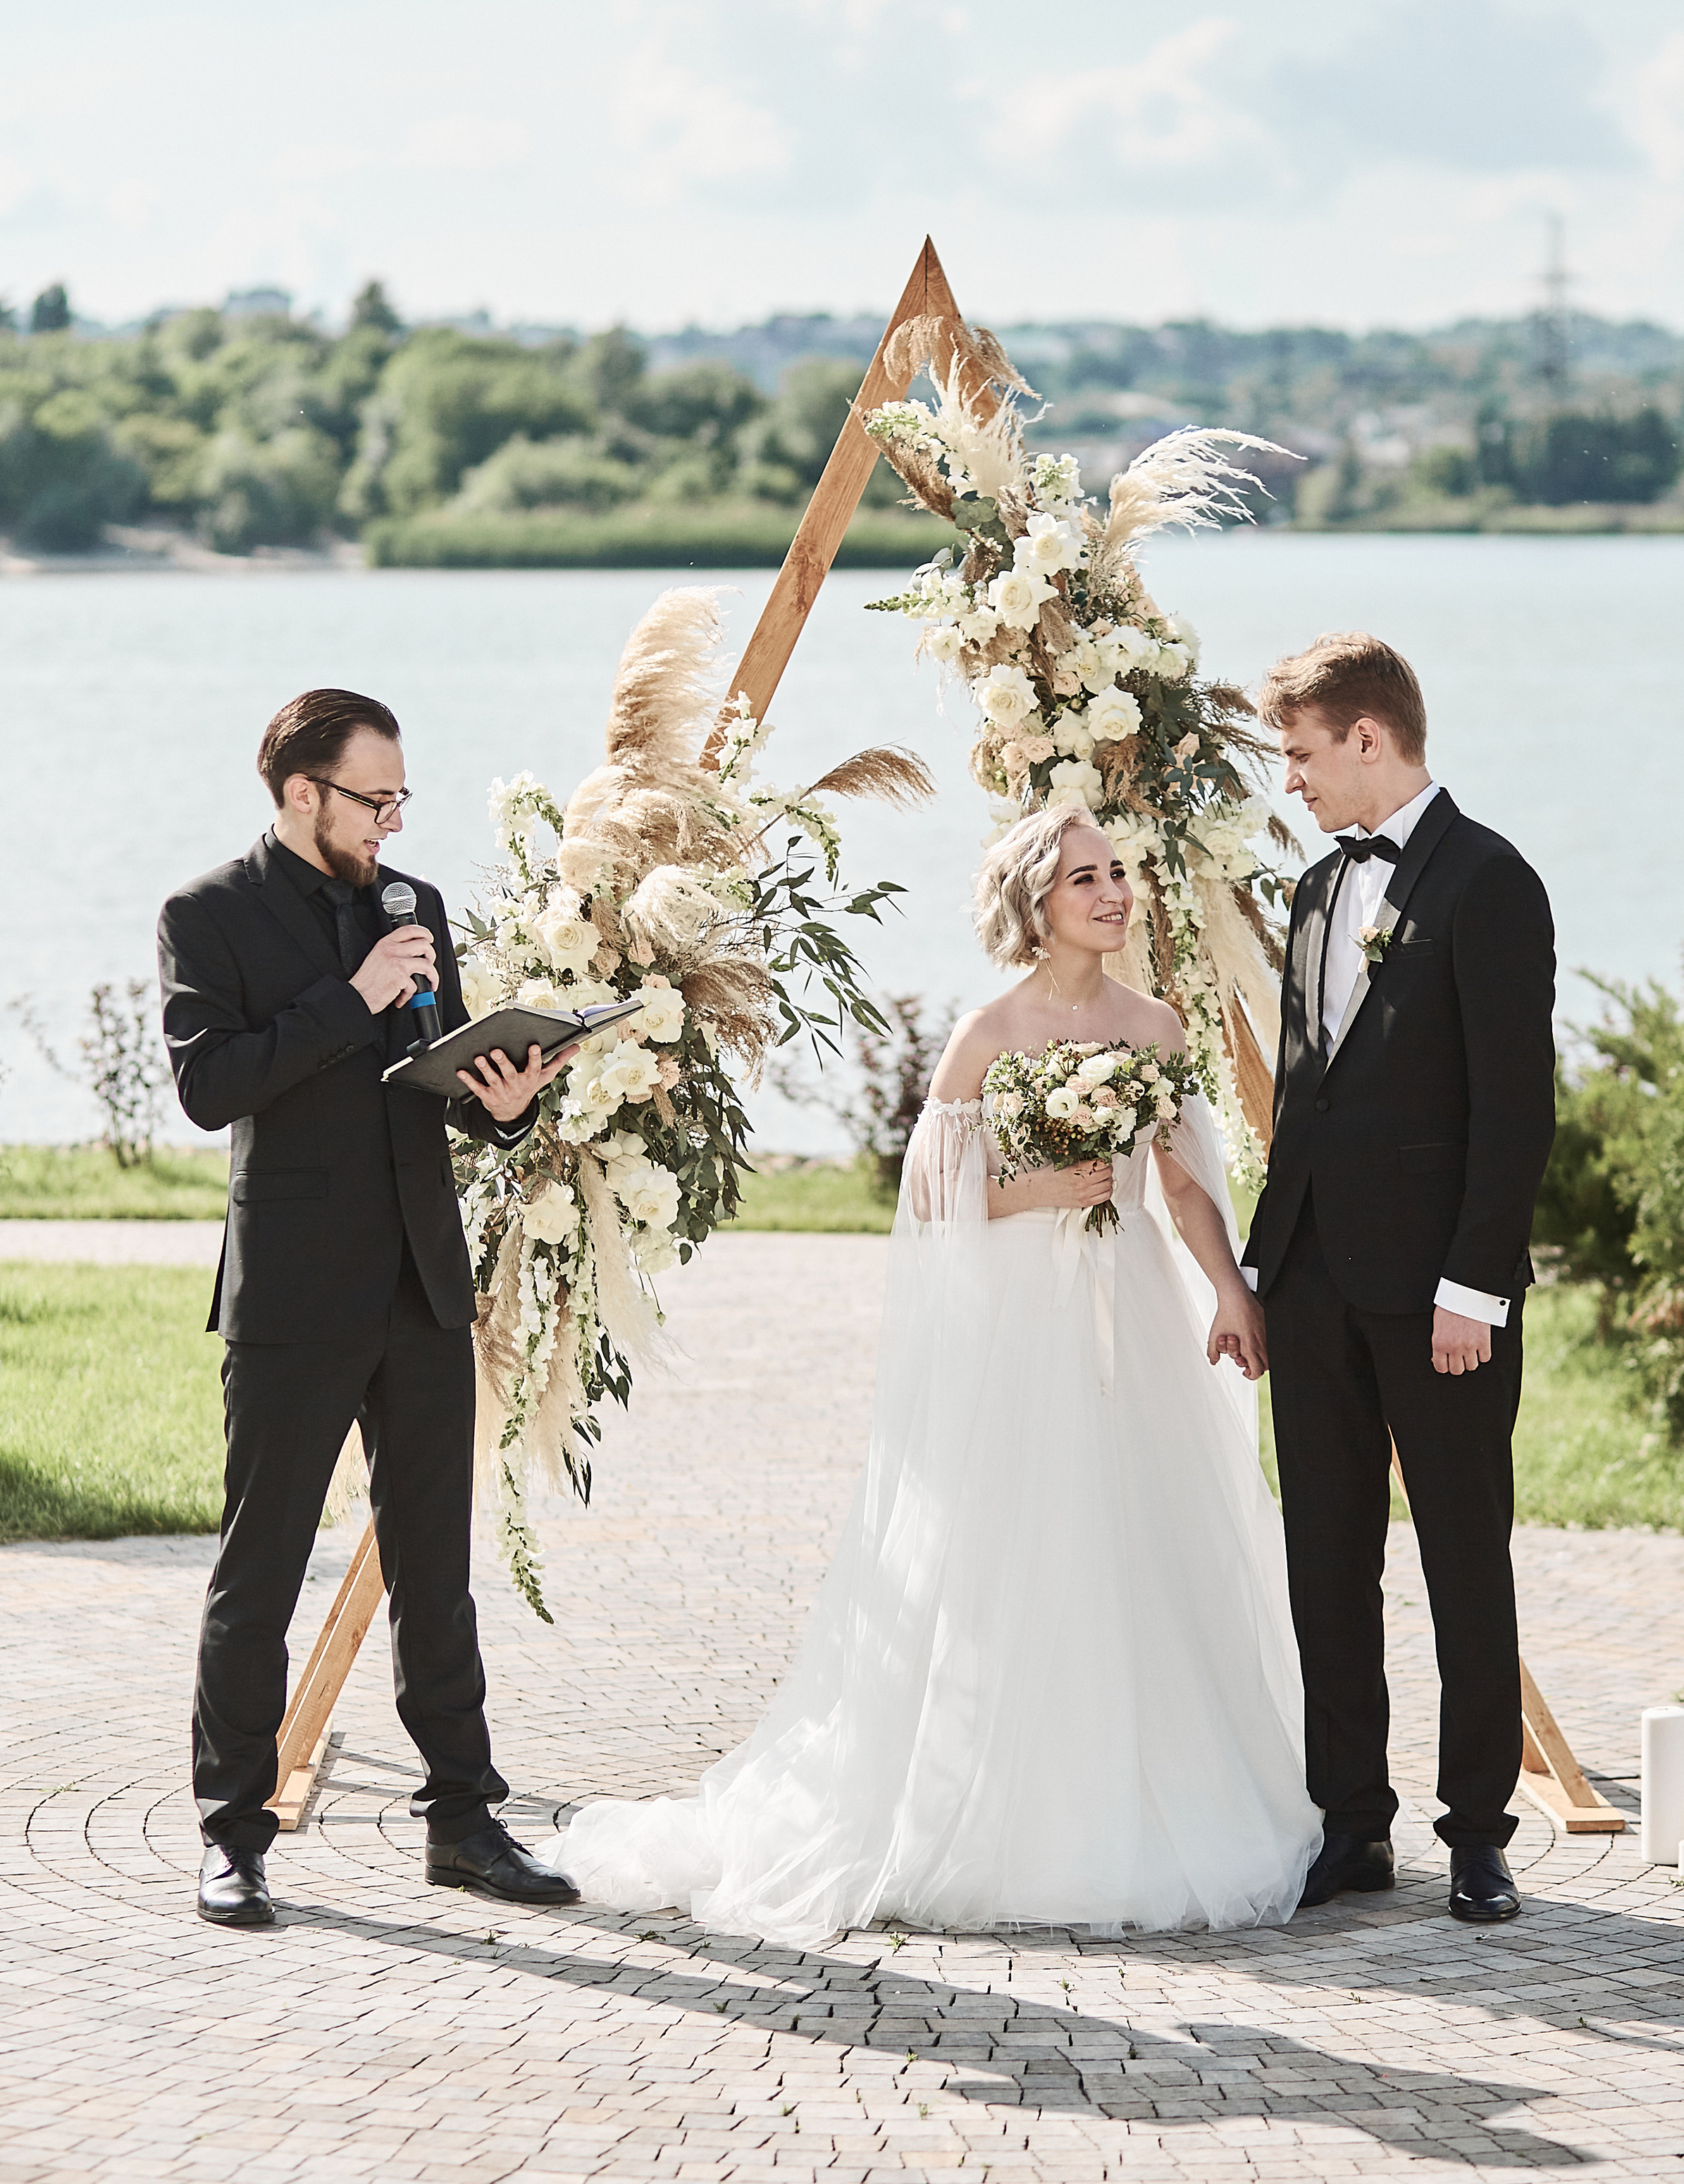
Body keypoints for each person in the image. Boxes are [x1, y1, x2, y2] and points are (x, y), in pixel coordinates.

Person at [543, 808, 1322, 1944]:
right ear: (1036, 903)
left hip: (1129, 1306)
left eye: (1119, 875)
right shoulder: (988, 1033)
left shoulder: (1154, 1026)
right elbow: (929, 1199)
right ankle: (993, 1797)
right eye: (1086, 880)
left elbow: (1188, 1183)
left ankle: (1152, 1786)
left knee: (1135, 1526)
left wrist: (1230, 1291)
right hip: (1020, 1320)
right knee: (1017, 1534)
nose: (1113, 894)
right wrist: (1033, 1194)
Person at [158, 687, 582, 1930]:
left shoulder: (416, 909)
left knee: (436, 1569)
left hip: (419, 1283)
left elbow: (431, 1076)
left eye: (403, 799)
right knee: (261, 1570)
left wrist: (505, 1100)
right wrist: (350, 996)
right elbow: (211, 1085)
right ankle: (234, 1834)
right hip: (291, 1294)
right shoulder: (208, 914)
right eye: (373, 798)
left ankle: (463, 1820)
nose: (393, 822)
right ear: (303, 794)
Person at [1242, 633, 1555, 1927]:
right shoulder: (1316, 891)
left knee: (1466, 1558)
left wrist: (1473, 1288)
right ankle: (1349, 1827)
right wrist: (1262, 1269)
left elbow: (1516, 1109)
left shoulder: (1492, 883)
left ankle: (1479, 1832)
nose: (1296, 781)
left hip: (1440, 1301)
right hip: (1312, 1286)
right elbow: (1308, 1096)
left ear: (1369, 738)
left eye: (1306, 755)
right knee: (1326, 1560)